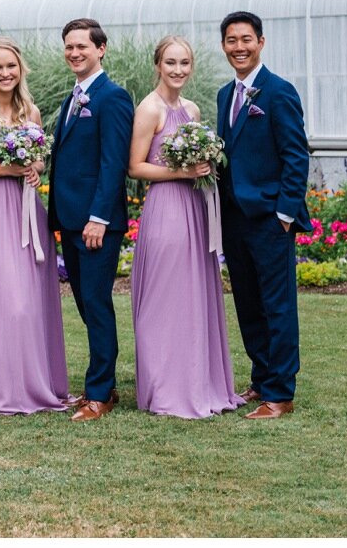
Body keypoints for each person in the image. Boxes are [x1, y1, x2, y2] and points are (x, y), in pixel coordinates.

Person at [127, 35, 244, 419]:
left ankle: (197, 381)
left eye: (184, 63)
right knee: (165, 297)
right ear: (158, 65)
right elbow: (136, 167)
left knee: (193, 295)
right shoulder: (149, 109)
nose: (178, 70)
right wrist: (181, 170)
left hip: (194, 208)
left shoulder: (191, 109)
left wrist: (205, 167)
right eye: (171, 63)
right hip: (166, 210)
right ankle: (166, 388)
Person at [0, 37, 67, 415]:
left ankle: (33, 382)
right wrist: (6, 168)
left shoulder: (31, 113)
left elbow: (37, 162)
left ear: (20, 70)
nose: (5, 73)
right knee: (7, 300)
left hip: (27, 210)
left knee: (31, 301)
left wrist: (34, 171)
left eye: (11, 66)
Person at [216, 11, 312, 420]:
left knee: (277, 305)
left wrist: (286, 213)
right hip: (234, 218)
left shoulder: (278, 92)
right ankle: (260, 379)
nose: (239, 47)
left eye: (246, 39)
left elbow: (296, 154)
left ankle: (281, 394)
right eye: (232, 40)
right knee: (249, 304)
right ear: (224, 45)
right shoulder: (225, 95)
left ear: (261, 42)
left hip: (271, 218)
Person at [47, 17, 134, 422]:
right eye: (69, 46)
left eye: (82, 46)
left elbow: (113, 162)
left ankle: (99, 393)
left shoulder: (112, 97)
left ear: (101, 49)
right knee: (85, 302)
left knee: (96, 303)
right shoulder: (74, 96)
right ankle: (104, 383)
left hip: (97, 223)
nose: (74, 53)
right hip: (72, 219)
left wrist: (99, 217)